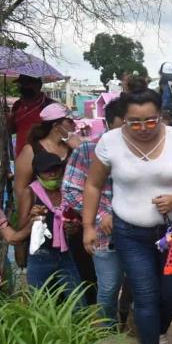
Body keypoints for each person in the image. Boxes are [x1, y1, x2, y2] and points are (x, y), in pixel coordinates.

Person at [82, 88, 172, 344]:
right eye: (134, 122)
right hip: (130, 233)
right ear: (123, 119)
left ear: (160, 115)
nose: (143, 128)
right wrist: (88, 225)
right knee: (145, 295)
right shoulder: (110, 143)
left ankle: (159, 332)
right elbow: (93, 186)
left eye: (151, 120)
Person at [62, 99, 126, 326]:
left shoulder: (144, 151)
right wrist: (99, 216)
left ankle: (133, 327)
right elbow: (70, 191)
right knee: (108, 288)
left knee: (142, 287)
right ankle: (108, 335)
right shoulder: (88, 150)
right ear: (108, 125)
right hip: (105, 236)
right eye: (121, 128)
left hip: (139, 233)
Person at [24, 151, 84, 301]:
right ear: (38, 173)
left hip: (65, 253)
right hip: (40, 254)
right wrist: (33, 218)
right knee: (39, 301)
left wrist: (75, 225)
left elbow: (79, 216)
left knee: (77, 300)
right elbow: (22, 225)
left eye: (56, 169)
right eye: (47, 171)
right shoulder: (31, 192)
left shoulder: (67, 190)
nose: (52, 174)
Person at [7, 74, 55, 157]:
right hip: (21, 155)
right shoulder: (18, 105)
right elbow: (11, 130)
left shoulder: (49, 105)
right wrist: (8, 118)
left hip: (43, 156)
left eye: (26, 84)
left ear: (38, 85)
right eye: (21, 84)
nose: (22, 88)